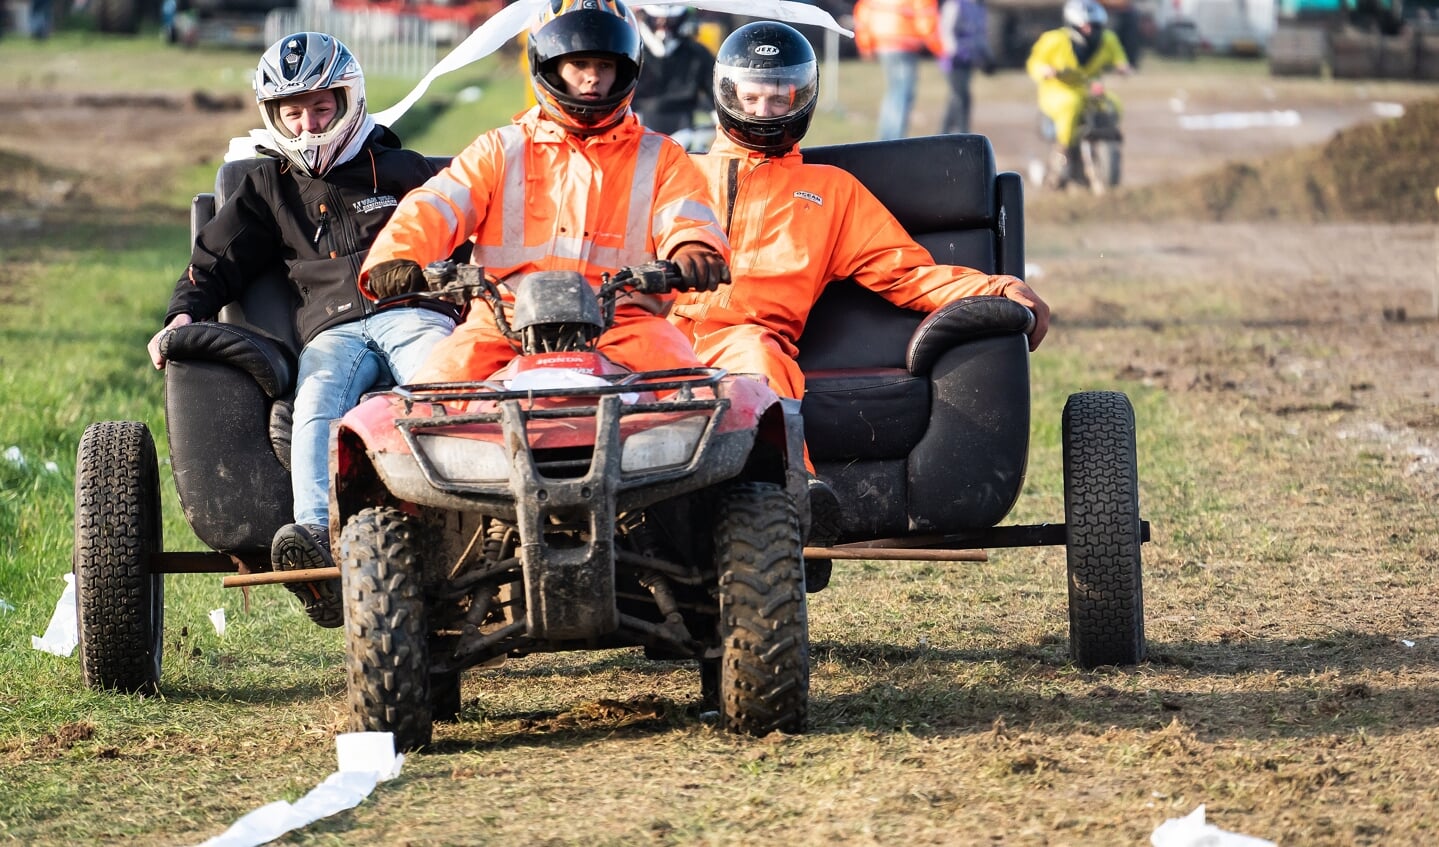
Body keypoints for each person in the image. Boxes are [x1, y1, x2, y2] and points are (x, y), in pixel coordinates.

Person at [669, 21, 1051, 549]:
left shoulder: (830, 191)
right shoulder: (676, 174)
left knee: (759, 370)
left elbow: (906, 272)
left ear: (804, 97)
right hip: (659, 334)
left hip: (747, 339)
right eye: (751, 96)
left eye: (780, 98)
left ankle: (794, 500)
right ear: (726, 93)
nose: (763, 110)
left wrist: (998, 289)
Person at [148, 32, 456, 627]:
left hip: (414, 312)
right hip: (333, 331)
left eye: (322, 108)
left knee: (443, 390)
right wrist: (183, 313)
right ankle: (318, 538)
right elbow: (215, 260)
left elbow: (466, 229)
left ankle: (464, 518)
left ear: (350, 102)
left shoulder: (402, 170)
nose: (310, 125)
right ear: (274, 116)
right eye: (294, 112)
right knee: (316, 406)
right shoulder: (266, 187)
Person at [359, 0, 730, 386]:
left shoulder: (662, 156)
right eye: (579, 65)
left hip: (623, 322)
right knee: (430, 396)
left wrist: (694, 252)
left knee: (691, 394)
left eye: (604, 65)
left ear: (625, 69)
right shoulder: (499, 149)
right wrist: (398, 256)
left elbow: (687, 216)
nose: (592, 78)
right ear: (550, 65)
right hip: (504, 322)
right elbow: (438, 206)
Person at [1026, 0, 1131, 187]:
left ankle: (1106, 140)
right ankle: (1062, 151)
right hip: (1058, 90)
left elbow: (1119, 58)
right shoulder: (1054, 40)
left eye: (1094, 26)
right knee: (1071, 105)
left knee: (1114, 103)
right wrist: (1044, 70)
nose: (1090, 30)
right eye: (1085, 26)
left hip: (1088, 89)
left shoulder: (1108, 40)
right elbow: (1034, 62)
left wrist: (1122, 67)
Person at [854, 0, 944, 141]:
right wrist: (940, 49)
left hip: (883, 43)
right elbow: (926, 19)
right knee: (902, 95)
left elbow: (864, 13)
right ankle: (894, 140)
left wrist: (865, 44)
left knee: (893, 93)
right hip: (905, 44)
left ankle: (885, 139)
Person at [632, 5, 715, 141]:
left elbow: (715, 94)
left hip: (685, 130)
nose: (663, 27)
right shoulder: (633, 50)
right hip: (638, 125)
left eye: (671, 21)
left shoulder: (697, 54)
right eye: (657, 19)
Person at [937, 0, 993, 135]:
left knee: (958, 97)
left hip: (968, 60)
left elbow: (980, 35)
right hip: (954, 60)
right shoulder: (955, 5)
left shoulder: (979, 7)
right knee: (961, 96)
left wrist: (987, 56)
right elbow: (945, 30)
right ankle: (962, 132)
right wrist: (952, 51)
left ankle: (944, 133)